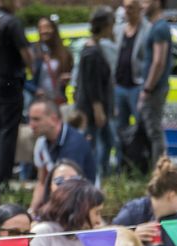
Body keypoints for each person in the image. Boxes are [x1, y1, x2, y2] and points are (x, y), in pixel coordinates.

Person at [0, 0, 32, 184]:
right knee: (8, 129)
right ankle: (2, 179)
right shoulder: (11, 22)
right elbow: (25, 51)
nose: (19, 4)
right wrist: (32, 68)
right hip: (9, 81)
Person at [27, 97, 97, 211]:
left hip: (81, 204)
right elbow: (42, 182)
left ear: (54, 119)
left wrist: (45, 211)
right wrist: (31, 211)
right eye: (30, 119)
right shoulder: (41, 142)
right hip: (58, 202)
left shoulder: (74, 143)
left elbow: (69, 190)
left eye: (36, 119)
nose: (31, 125)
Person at [76, 7, 116, 179]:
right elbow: (92, 84)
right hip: (92, 109)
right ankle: (94, 175)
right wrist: (98, 109)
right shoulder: (91, 53)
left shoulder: (94, 48)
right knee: (97, 143)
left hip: (98, 107)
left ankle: (100, 174)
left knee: (107, 141)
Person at [138, 0, 172, 164]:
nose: (142, 4)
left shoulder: (160, 28)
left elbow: (158, 62)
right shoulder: (155, 26)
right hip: (153, 88)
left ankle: (159, 171)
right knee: (152, 131)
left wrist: (147, 89)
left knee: (155, 132)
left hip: (155, 89)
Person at [114, 0, 150, 134]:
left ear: (139, 9)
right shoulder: (118, 30)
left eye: (131, 7)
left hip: (137, 86)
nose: (127, 11)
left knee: (142, 126)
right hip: (119, 86)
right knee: (119, 127)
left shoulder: (147, 30)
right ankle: (122, 149)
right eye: (125, 7)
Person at [27, 16, 73, 105]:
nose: (44, 31)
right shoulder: (34, 50)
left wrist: (67, 77)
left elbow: (72, 73)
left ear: (53, 29)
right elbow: (22, 77)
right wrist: (35, 89)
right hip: (40, 101)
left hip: (58, 99)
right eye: (41, 28)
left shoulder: (64, 52)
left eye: (47, 27)